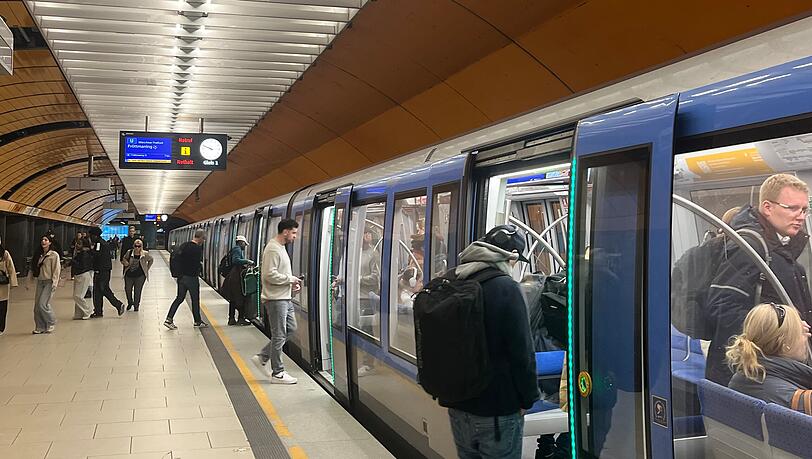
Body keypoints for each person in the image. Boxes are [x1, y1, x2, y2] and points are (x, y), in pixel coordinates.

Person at [706, 174, 812, 385]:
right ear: (768, 207)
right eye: (792, 208)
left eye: (804, 210)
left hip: (774, 368)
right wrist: (785, 328)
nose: (800, 216)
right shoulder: (751, 248)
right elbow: (721, 307)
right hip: (751, 372)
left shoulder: (781, 250)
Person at [444, 225, 540, 459]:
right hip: (497, 410)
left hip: (458, 406)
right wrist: (528, 398)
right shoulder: (506, 288)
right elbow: (522, 354)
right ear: (511, 257)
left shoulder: (452, 279)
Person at [727, 303, 812, 414]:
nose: (807, 335)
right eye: (801, 332)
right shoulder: (798, 399)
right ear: (785, 345)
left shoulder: (741, 378)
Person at [251, 219, 301, 384]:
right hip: (275, 299)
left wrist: (291, 283)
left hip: (284, 297)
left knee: (291, 329)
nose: (295, 236)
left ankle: (262, 357)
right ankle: (277, 373)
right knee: (279, 335)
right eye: (293, 232)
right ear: (285, 232)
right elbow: (269, 275)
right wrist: (289, 279)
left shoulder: (281, 247)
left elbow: (279, 273)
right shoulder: (273, 249)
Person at [164, 229, 208, 329]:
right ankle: (197, 321)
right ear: (200, 237)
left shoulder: (184, 245)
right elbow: (196, 264)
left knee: (179, 298)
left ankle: (169, 319)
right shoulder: (197, 249)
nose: (203, 241)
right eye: (204, 239)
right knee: (195, 299)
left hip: (181, 277)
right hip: (191, 278)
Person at [88, 227, 125, 318]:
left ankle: (118, 304)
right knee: (97, 292)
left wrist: (89, 251)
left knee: (104, 290)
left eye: (91, 235)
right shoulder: (102, 243)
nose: (90, 237)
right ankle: (98, 311)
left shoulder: (99, 244)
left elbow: (97, 255)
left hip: (101, 271)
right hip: (103, 270)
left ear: (95, 235)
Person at [28, 235, 60, 334]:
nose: (43, 241)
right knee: (37, 306)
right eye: (42, 239)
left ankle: (51, 321)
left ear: (50, 242)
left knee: (43, 304)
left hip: (49, 282)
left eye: (46, 240)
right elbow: (33, 269)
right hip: (40, 281)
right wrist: (29, 282)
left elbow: (56, 269)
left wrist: (55, 282)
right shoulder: (39, 255)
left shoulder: (54, 255)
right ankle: (40, 327)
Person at [224, 235, 254, 325]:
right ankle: (241, 318)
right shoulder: (237, 249)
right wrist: (247, 261)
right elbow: (236, 260)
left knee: (233, 299)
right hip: (236, 278)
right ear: (241, 243)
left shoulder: (234, 249)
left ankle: (231, 319)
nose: (245, 246)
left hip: (233, 277)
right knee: (241, 297)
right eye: (244, 244)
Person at [122, 239, 153, 312]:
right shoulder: (129, 252)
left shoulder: (145, 254)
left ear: (141, 247)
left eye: (139, 246)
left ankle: (136, 305)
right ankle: (130, 302)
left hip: (140, 276)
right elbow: (124, 258)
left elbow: (151, 260)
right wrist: (125, 262)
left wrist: (146, 268)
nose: (137, 248)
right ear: (133, 246)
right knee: (127, 289)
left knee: (138, 291)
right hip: (129, 275)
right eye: (136, 246)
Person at [71, 236, 94, 320]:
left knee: (78, 296)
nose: (77, 245)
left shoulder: (85, 254)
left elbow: (82, 265)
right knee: (77, 295)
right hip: (78, 275)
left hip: (83, 275)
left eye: (79, 244)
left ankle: (87, 311)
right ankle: (79, 313)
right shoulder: (79, 253)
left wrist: (73, 261)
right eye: (77, 243)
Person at [0, 237, 18, 336]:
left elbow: (11, 267)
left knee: (2, 307)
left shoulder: (4, 253)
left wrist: (13, 282)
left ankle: (1, 328)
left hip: (2, 284)